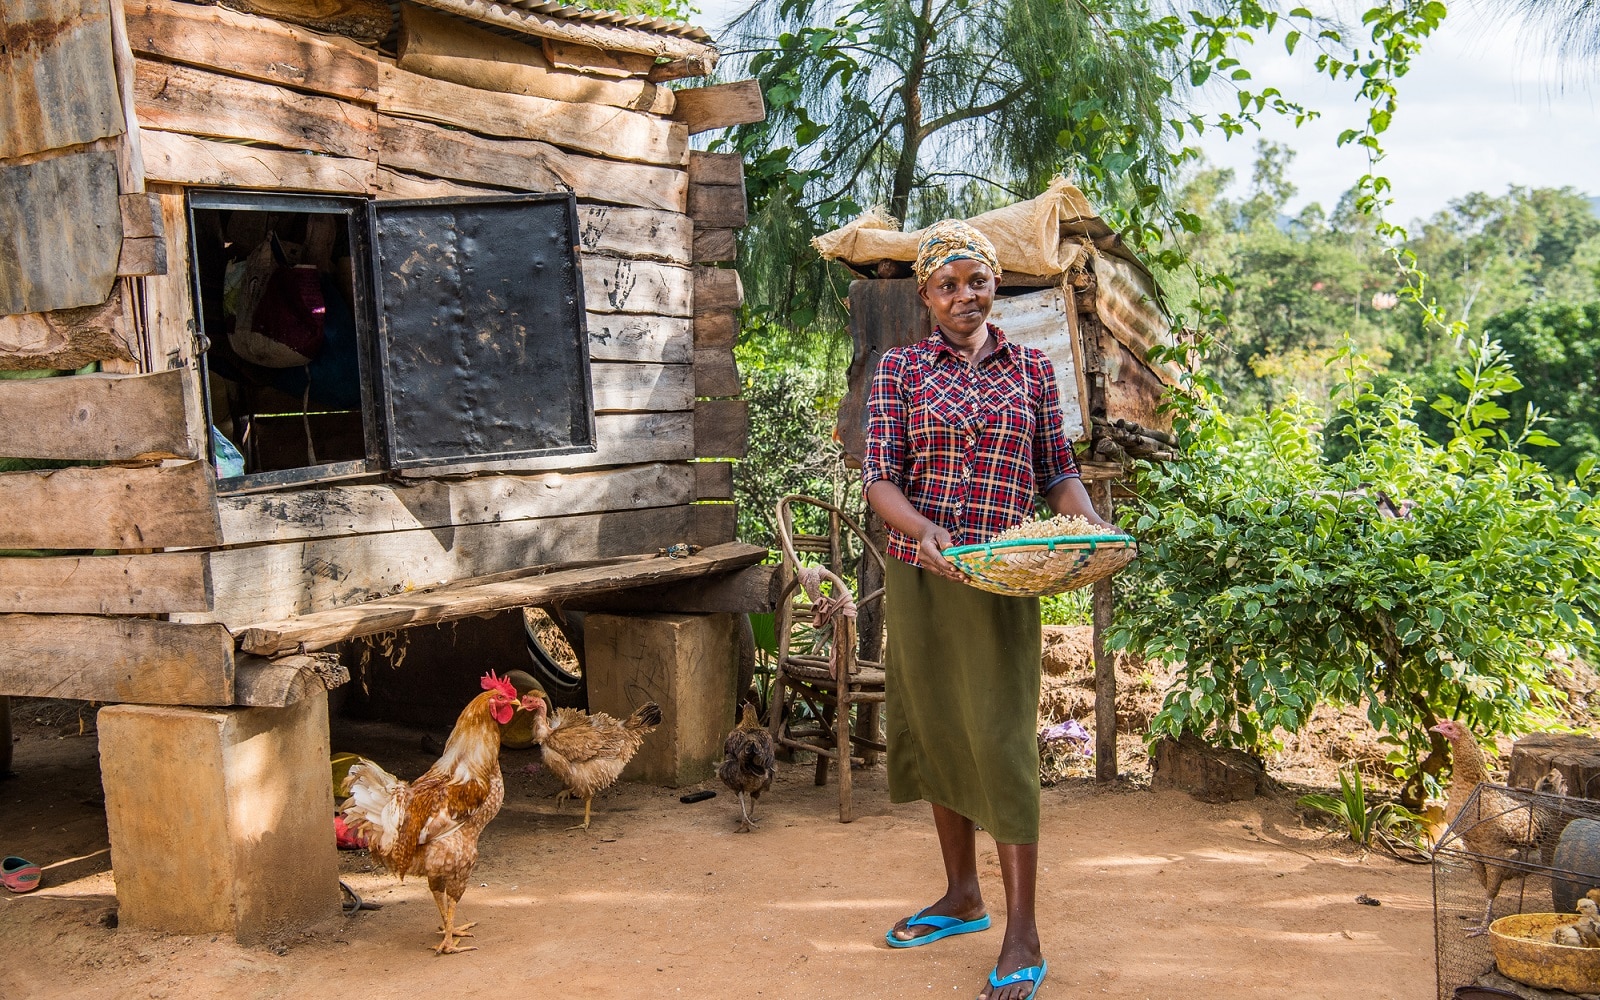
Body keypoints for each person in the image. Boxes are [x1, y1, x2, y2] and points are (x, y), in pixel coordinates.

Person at [863, 219, 1113, 1000]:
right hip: (926, 574)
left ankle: (1024, 931)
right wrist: (924, 529)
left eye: (977, 280)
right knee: (937, 727)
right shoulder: (899, 371)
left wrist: (1085, 526)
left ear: (995, 284)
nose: (965, 294)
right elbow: (879, 478)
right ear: (926, 295)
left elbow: (1058, 472)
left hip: (1004, 577)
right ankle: (962, 895)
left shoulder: (1034, 371)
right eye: (948, 284)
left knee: (1001, 739)